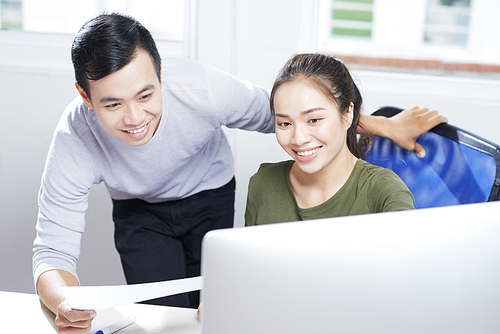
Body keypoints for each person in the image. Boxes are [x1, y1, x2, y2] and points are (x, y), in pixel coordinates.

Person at [32, 14, 446, 334]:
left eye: (145, 94)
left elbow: (291, 116)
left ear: (162, 76)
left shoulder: (201, 87)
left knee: (218, 304)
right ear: (85, 96)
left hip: (209, 191)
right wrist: (64, 302)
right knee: (163, 318)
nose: (135, 117)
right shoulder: (74, 137)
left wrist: (380, 124)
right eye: (112, 104)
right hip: (139, 210)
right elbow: (51, 253)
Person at [245, 53, 418, 226]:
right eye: (284, 123)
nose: (298, 139)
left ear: (347, 114)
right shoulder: (262, 183)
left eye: (313, 120)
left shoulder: (385, 191)